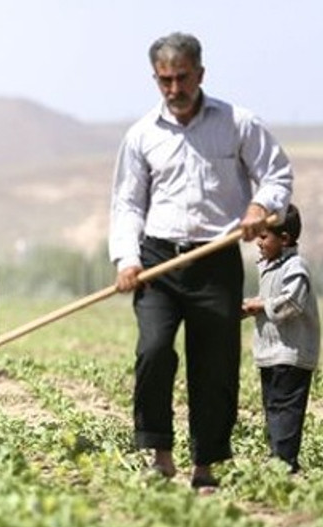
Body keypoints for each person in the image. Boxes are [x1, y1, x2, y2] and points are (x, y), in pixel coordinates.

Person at [109, 32, 293, 492]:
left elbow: (276, 174)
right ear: (155, 78)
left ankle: (204, 467)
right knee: (152, 351)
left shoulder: (238, 123)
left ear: (200, 74)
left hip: (215, 259)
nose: (174, 89)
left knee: (214, 365)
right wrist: (126, 258)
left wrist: (257, 209)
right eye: (165, 80)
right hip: (158, 261)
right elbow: (128, 204)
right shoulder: (142, 135)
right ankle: (160, 455)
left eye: (182, 78)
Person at [241, 205, 317, 474]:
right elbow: (268, 303)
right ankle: (279, 459)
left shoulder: (296, 267)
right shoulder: (270, 267)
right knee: (273, 408)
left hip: (292, 354)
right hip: (271, 354)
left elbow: (290, 304)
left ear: (284, 239)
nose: (258, 243)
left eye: (264, 237)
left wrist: (260, 305)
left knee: (286, 410)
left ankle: (284, 464)